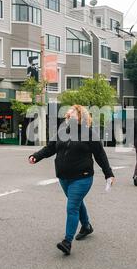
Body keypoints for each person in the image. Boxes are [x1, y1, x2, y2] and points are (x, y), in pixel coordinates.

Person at [29, 105, 115, 256]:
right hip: (64, 177)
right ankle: (86, 226)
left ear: (81, 116)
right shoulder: (62, 131)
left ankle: (67, 242)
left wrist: (109, 174)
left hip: (82, 177)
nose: (69, 113)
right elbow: (50, 148)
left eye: (73, 112)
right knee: (76, 202)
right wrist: (36, 156)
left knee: (72, 207)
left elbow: (100, 155)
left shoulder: (89, 133)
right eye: (69, 113)